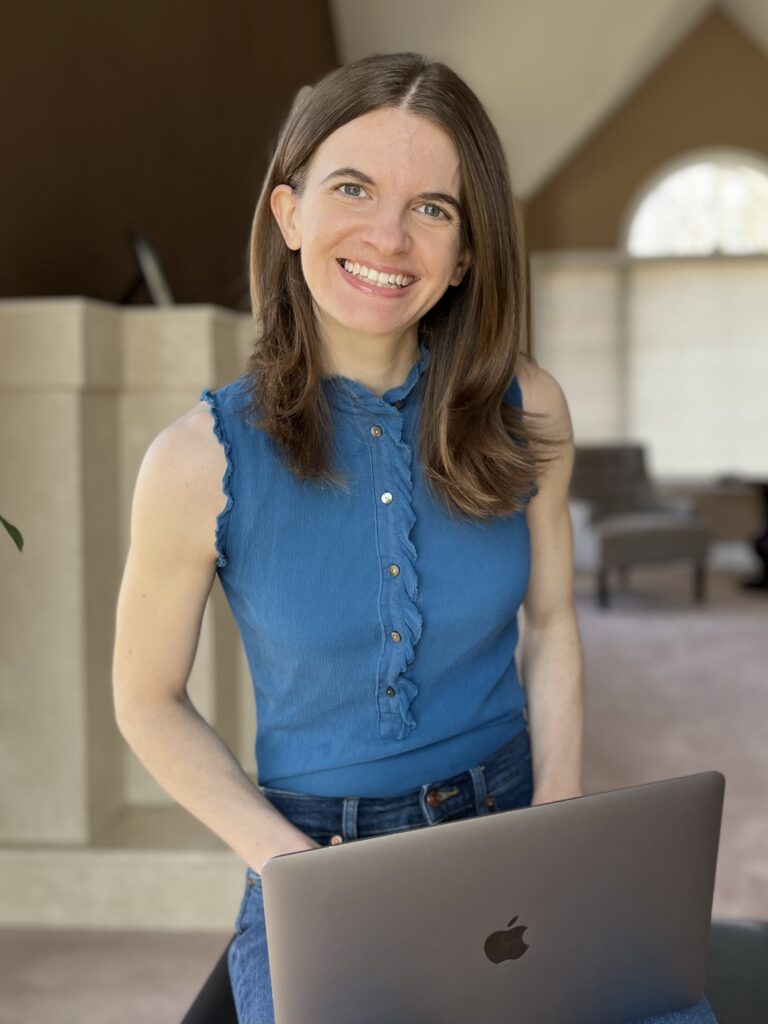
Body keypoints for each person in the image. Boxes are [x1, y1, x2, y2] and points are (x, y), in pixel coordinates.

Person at [113, 52, 719, 1024]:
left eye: (433, 208)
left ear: (467, 250)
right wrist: (287, 864)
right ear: (289, 213)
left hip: (514, 817)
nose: (388, 236)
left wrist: (559, 807)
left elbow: (555, 621)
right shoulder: (195, 461)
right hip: (317, 852)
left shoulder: (531, 405)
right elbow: (145, 699)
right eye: (352, 188)